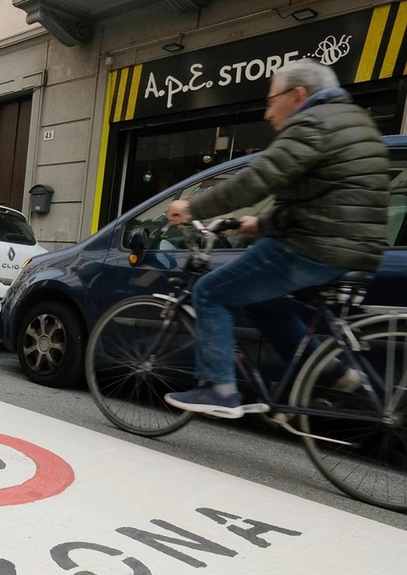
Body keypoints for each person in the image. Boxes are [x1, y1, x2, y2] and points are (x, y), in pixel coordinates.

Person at [163, 59, 391, 418]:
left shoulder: (313, 121)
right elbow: (331, 197)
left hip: (312, 245)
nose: (268, 114)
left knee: (210, 291)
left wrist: (193, 208)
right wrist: (262, 224)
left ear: (298, 95)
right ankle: (328, 371)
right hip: (357, 249)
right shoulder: (356, 121)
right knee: (262, 300)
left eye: (272, 101)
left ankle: (218, 389)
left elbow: (259, 178)